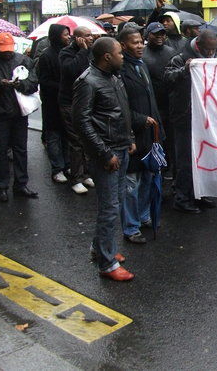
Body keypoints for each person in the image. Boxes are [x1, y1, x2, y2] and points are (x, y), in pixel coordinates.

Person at [72, 37, 136, 281]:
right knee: (109, 209)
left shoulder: (114, 78)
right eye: (120, 52)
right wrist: (104, 152)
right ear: (107, 57)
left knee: (115, 204)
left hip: (120, 149)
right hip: (107, 154)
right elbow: (81, 122)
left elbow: (122, 112)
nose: (123, 55)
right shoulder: (87, 82)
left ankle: (101, 248)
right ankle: (106, 264)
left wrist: (129, 137)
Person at [0, 33, 39, 202]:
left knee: (20, 149)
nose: (7, 53)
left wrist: (21, 84)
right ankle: (1, 185)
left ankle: (21, 184)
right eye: (4, 50)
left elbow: (33, 84)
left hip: (18, 113)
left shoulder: (23, 60)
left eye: (9, 50)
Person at [165, 30, 217, 214]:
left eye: (214, 50)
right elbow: (168, 79)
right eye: (208, 50)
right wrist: (184, 70)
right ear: (200, 46)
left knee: (202, 158)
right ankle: (182, 198)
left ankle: (199, 194)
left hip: (204, 117)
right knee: (186, 160)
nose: (211, 54)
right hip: (184, 117)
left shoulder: (210, 56)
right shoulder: (180, 58)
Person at [119, 27, 163, 245]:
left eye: (141, 42)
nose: (140, 46)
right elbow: (120, 106)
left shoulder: (142, 65)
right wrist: (139, 120)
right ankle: (131, 227)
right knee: (131, 185)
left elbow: (151, 100)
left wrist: (158, 132)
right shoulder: (120, 70)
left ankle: (144, 215)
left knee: (148, 178)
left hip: (150, 136)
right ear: (124, 45)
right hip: (132, 137)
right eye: (135, 42)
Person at [58, 26, 95, 194]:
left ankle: (87, 173)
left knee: (87, 139)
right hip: (70, 103)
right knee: (76, 141)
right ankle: (76, 178)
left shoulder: (92, 51)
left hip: (87, 101)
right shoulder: (66, 53)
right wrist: (81, 51)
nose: (91, 38)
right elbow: (71, 71)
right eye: (87, 36)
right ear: (78, 38)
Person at [37, 23, 71, 183]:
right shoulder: (46, 56)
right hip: (52, 103)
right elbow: (43, 80)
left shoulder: (68, 53)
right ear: (57, 36)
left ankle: (67, 164)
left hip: (66, 102)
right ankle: (57, 168)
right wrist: (62, 86)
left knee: (67, 135)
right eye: (65, 34)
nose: (68, 37)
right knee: (54, 137)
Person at [142, 22, 176, 176]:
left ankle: (169, 166)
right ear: (148, 35)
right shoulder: (142, 54)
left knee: (171, 138)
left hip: (170, 102)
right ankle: (157, 167)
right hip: (152, 104)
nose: (160, 36)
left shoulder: (171, 51)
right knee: (156, 137)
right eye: (156, 34)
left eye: (162, 33)